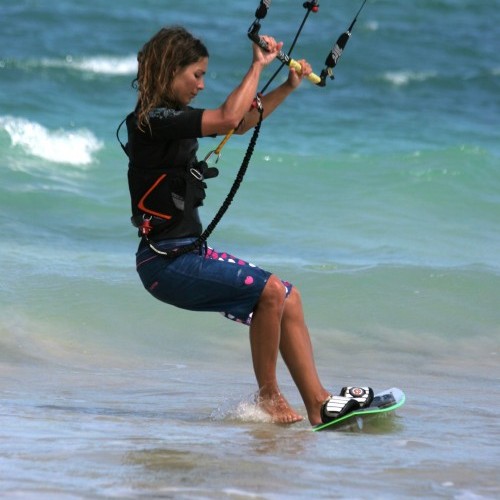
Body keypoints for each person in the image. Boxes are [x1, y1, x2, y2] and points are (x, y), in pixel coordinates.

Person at [120, 26, 367, 426]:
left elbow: (240, 122)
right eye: (196, 75)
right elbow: (229, 116)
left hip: (187, 253)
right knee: (269, 291)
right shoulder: (151, 120)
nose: (201, 84)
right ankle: (269, 395)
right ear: (169, 70)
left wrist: (287, 86)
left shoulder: (175, 119)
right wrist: (257, 64)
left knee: (289, 297)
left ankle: (318, 404)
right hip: (163, 263)